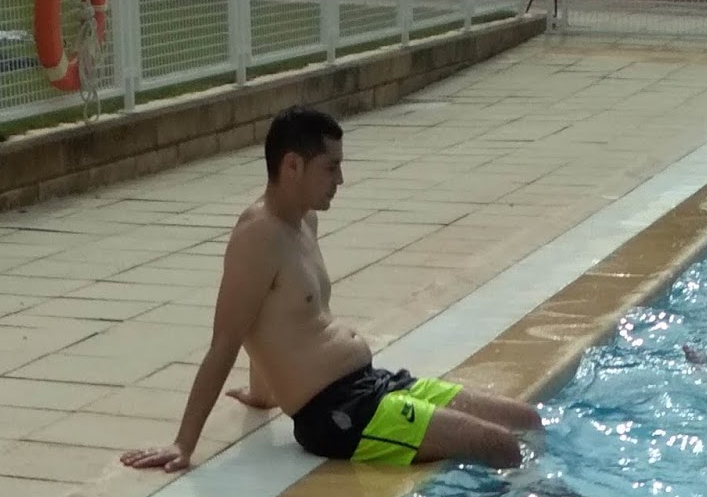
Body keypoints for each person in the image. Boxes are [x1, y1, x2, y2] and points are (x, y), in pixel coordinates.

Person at [120, 106, 542, 474]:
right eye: (330, 167)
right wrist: (184, 444)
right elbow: (227, 338)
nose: (340, 179)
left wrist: (263, 394)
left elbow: (275, 317)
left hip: (371, 385)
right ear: (292, 166)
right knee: (499, 445)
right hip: (338, 414)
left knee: (526, 420)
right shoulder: (257, 237)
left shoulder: (305, 221)